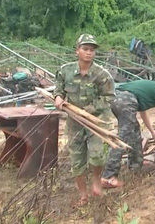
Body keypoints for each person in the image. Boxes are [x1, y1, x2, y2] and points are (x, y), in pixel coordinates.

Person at [53, 34, 114, 207]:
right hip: (74, 123)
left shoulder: (102, 74)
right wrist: (58, 97)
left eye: (92, 50)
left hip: (96, 121)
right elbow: (58, 88)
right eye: (85, 49)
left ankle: (96, 179)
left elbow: (109, 97)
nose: (89, 53)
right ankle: (83, 195)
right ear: (77, 50)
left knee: (97, 156)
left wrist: (87, 111)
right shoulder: (65, 71)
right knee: (76, 161)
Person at [101, 75, 155, 188]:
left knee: (134, 130)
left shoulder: (144, 86)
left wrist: (152, 131)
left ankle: (136, 163)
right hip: (127, 101)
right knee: (123, 137)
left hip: (116, 98)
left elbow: (143, 113)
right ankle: (108, 176)